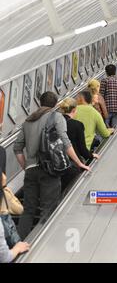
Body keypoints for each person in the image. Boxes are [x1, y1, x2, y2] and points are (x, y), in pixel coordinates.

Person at [13, 92, 90, 238]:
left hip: (31, 171)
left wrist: (26, 166)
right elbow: (65, 142)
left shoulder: (28, 121)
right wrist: (80, 163)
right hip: (49, 170)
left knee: (28, 210)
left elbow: (17, 148)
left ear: (40, 103)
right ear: (55, 104)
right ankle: (41, 245)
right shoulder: (56, 117)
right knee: (48, 210)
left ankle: (20, 244)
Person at [59, 98, 100, 192]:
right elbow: (82, 149)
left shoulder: (55, 124)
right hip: (71, 164)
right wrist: (91, 155)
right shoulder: (77, 125)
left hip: (55, 162)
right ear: (74, 110)